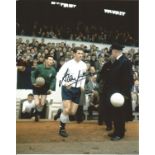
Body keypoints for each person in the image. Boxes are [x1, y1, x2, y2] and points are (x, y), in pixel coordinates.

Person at [99, 42, 134, 141]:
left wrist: (123, 94)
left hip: (120, 94)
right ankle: (116, 131)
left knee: (120, 114)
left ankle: (120, 133)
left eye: (112, 52)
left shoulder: (125, 62)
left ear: (116, 51)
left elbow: (128, 80)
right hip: (114, 92)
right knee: (115, 113)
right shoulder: (117, 61)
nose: (111, 53)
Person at [54, 47, 87, 137]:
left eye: (82, 53)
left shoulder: (84, 65)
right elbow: (58, 75)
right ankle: (62, 128)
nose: (81, 55)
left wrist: (82, 85)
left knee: (72, 112)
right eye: (79, 53)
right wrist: (65, 82)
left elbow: (83, 77)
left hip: (77, 90)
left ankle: (61, 111)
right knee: (67, 109)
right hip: (67, 89)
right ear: (74, 54)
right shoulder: (68, 64)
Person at [31, 54, 56, 121]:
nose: (51, 61)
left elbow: (53, 80)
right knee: (37, 103)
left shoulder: (53, 70)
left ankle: (37, 114)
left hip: (45, 87)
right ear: (46, 60)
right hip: (37, 85)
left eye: (52, 60)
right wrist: (34, 82)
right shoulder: (39, 67)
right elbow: (33, 74)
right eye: (50, 59)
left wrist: (51, 88)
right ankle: (35, 114)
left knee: (42, 103)